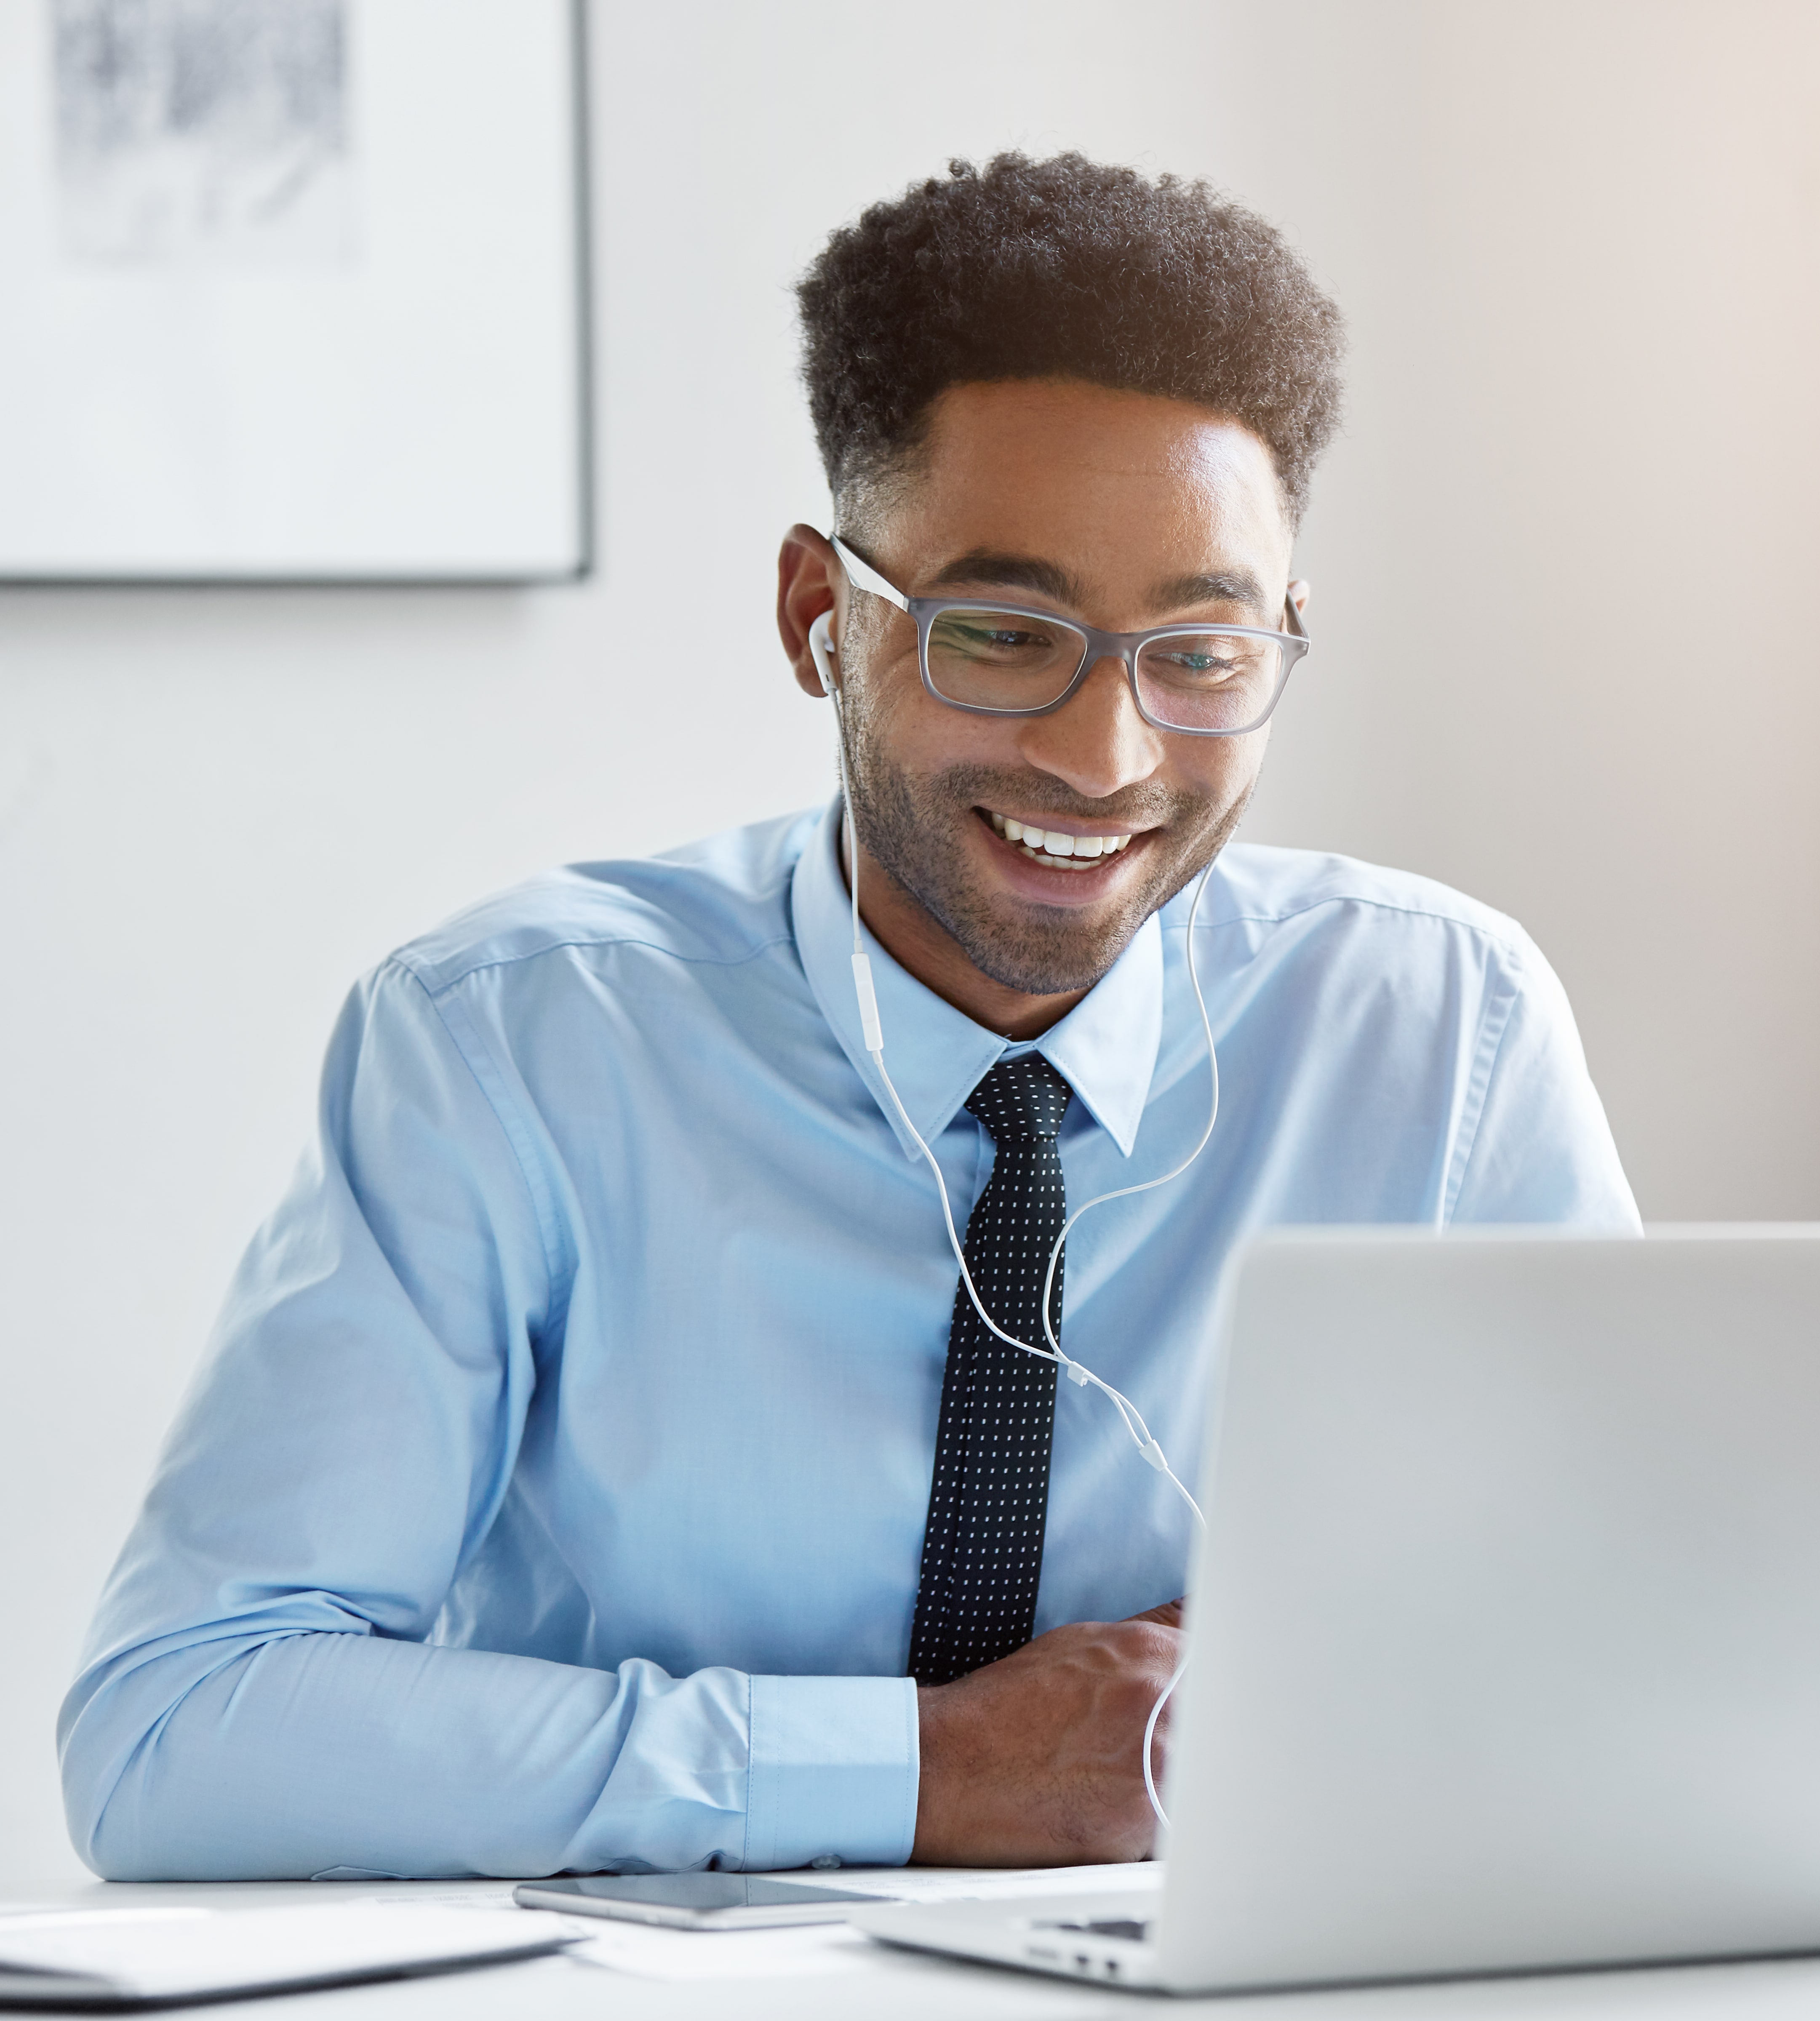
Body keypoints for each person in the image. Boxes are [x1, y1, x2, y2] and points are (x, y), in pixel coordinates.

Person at [59, 153, 1637, 1882]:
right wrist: (922, 1772)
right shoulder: (511, 1045)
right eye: (1005, 636)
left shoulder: (1443, 1032)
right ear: (824, 618)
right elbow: (175, 1735)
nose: (1103, 761)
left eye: (1196, 653)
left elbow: (1644, 1634)